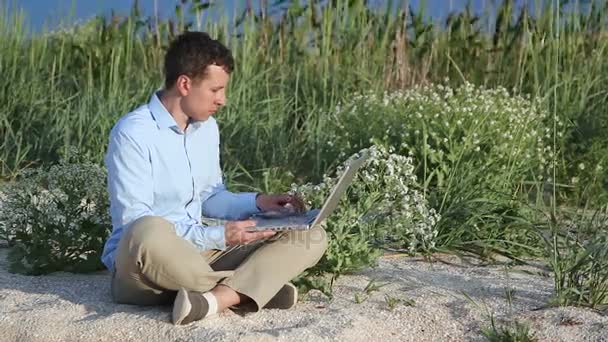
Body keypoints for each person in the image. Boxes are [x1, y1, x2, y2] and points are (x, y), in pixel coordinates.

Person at [101, 31, 327, 325]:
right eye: (215, 90)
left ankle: (217, 298)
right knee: (149, 228)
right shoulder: (133, 133)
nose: (223, 100)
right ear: (185, 84)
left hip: (198, 253)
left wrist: (259, 203)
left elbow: (210, 197)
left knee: (311, 235)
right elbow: (135, 223)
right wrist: (220, 235)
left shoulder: (207, 129)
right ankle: (250, 288)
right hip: (143, 265)